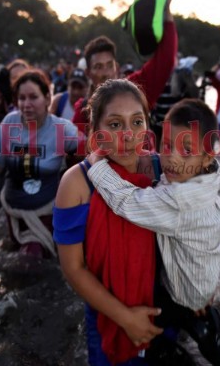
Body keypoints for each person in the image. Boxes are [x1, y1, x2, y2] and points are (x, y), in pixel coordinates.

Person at [86, 98, 220, 365]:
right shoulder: (205, 178)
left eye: (186, 151)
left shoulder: (180, 202)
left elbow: (126, 202)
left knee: (149, 326)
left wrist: (97, 165)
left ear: (207, 156)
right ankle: (207, 326)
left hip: (184, 294)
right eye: (166, 146)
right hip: (201, 281)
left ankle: (180, 343)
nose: (172, 158)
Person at [53, 79, 163, 365]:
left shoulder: (162, 170)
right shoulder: (76, 183)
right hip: (107, 315)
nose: (128, 135)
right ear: (95, 131)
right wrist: (127, 319)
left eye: (137, 122)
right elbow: (73, 268)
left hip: (163, 306)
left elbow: (195, 231)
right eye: (115, 125)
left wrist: (201, 289)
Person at [0, 69, 82, 257]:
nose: (26, 104)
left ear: (47, 99)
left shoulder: (61, 130)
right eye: (21, 98)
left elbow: (93, 152)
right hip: (12, 213)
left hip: (44, 216)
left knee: (29, 261)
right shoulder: (9, 124)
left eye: (33, 97)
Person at [71, 0, 177, 134]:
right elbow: (73, 151)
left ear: (117, 67)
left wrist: (166, 12)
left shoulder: (136, 89)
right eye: (98, 67)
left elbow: (165, 60)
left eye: (109, 65)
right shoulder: (83, 112)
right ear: (88, 73)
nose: (106, 73)